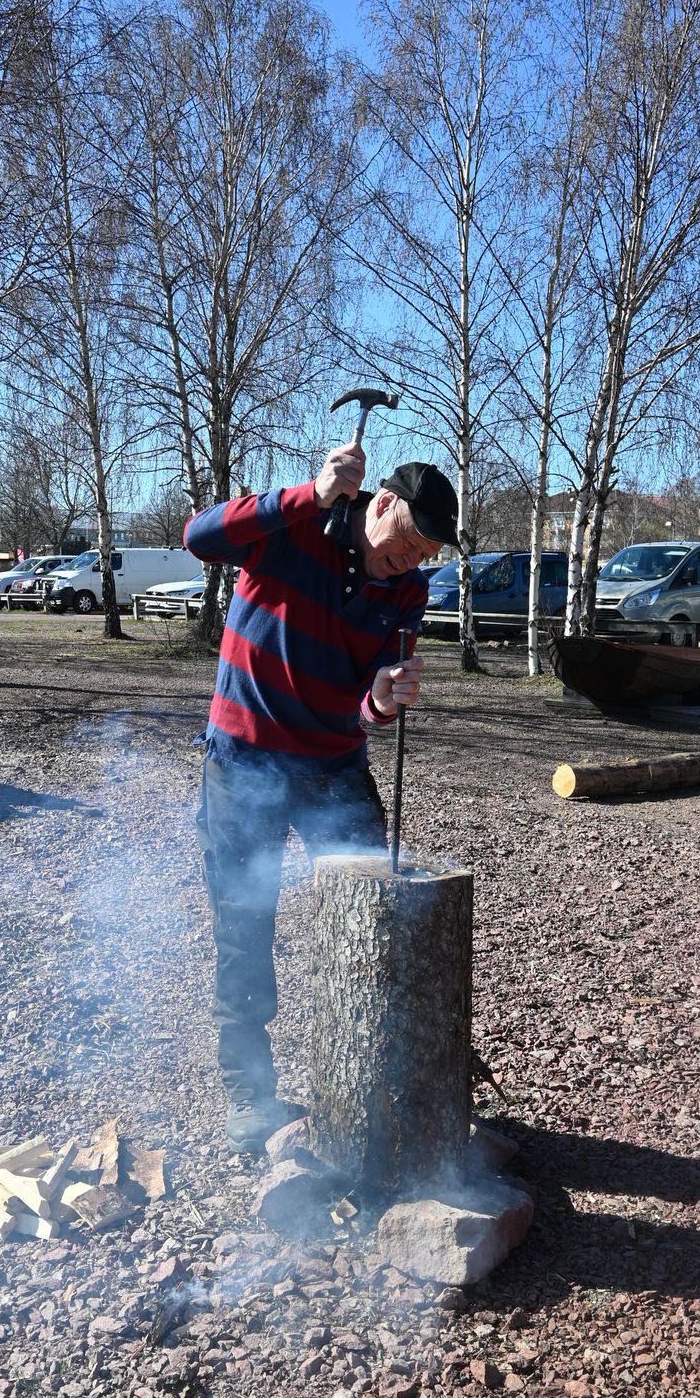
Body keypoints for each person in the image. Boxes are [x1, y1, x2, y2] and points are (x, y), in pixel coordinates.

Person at [185, 437, 459, 1153]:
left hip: (333, 769)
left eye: (427, 553)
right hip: (242, 761)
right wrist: (305, 493)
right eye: (408, 541)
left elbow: (366, 707)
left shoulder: (407, 591)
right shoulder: (296, 523)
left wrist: (384, 702)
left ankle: (381, 1082)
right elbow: (200, 537)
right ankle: (250, 1095)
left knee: (384, 913)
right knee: (245, 927)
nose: (412, 559)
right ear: (384, 504)